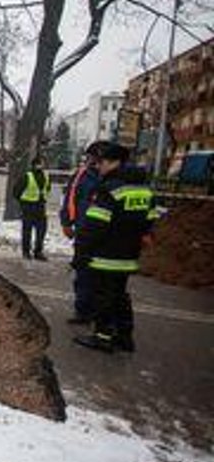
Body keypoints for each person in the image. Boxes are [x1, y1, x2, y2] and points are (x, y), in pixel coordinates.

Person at [72, 143, 159, 353]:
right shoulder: (144, 190)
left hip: (105, 255)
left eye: (101, 162)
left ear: (114, 162)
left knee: (102, 296)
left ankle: (102, 337)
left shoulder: (109, 189)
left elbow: (95, 225)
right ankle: (124, 336)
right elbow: (150, 220)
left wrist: (81, 251)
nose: (98, 166)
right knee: (120, 295)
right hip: (128, 255)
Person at [60, 141, 109, 324]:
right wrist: (67, 222)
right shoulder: (81, 175)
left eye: (95, 158)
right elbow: (70, 200)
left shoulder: (114, 177)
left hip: (107, 235)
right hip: (84, 232)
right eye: (90, 158)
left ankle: (102, 316)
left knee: (104, 278)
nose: (92, 161)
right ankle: (84, 312)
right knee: (83, 274)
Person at [13, 156, 52, 260]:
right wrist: (23, 202)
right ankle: (26, 252)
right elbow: (16, 191)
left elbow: (47, 188)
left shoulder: (46, 175)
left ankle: (38, 251)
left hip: (40, 206)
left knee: (41, 230)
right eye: (40, 163)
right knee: (27, 230)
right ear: (34, 164)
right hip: (28, 206)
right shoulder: (27, 176)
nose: (41, 165)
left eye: (42, 163)